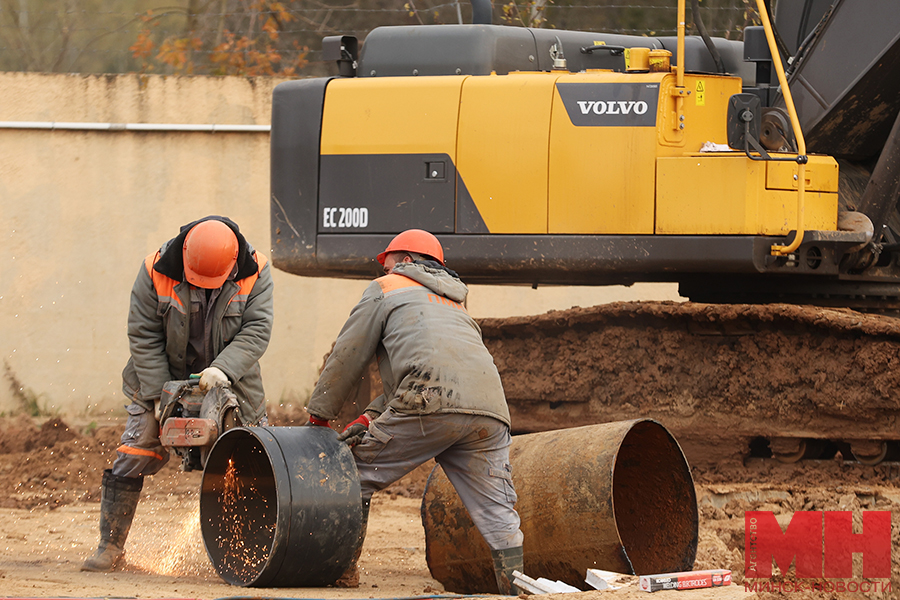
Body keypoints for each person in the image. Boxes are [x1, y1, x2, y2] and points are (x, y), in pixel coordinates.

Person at [305, 228, 524, 594]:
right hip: (490, 412)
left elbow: (348, 354)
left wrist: (319, 417)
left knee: (349, 476)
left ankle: (342, 571)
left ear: (406, 261)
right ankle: (514, 587)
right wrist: (370, 417)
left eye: (388, 265)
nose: (383, 272)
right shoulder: (454, 301)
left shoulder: (387, 288)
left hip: (430, 402)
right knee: (498, 513)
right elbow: (424, 368)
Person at [81, 215, 274, 572]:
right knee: (135, 449)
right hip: (161, 375)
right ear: (185, 255)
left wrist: (222, 369)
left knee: (251, 456)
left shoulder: (256, 271)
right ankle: (110, 546)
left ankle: (247, 552)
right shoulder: (155, 269)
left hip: (233, 380)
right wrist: (157, 395)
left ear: (233, 264)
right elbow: (143, 334)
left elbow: (257, 330)